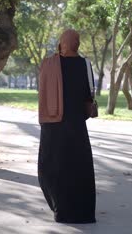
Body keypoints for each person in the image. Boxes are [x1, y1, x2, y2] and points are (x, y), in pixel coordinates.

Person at [37, 29, 96, 224]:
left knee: (52, 165)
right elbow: (89, 94)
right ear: (77, 43)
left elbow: (42, 92)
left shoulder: (48, 64)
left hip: (53, 123)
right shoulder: (85, 64)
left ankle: (59, 208)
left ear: (61, 43)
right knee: (79, 167)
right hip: (77, 125)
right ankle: (83, 213)